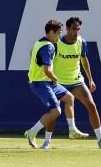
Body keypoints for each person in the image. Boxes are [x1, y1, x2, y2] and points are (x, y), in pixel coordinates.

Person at [43, 17, 101, 149]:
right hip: (59, 83)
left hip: (76, 81)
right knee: (53, 111)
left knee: (91, 105)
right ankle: (47, 142)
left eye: (78, 29)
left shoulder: (81, 42)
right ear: (68, 29)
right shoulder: (57, 44)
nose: (77, 32)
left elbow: (84, 60)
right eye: (74, 29)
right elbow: (48, 63)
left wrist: (90, 79)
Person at [24, 20, 81, 149]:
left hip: (44, 81)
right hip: (41, 83)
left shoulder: (39, 42)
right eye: (58, 33)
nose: (59, 36)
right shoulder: (49, 46)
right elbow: (47, 70)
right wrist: (55, 78)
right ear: (51, 32)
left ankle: (72, 130)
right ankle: (31, 132)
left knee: (69, 98)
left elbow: (31, 53)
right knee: (56, 111)